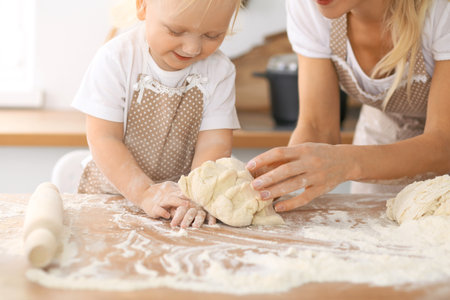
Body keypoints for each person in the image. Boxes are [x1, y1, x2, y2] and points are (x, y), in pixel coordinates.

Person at [246, 0, 450, 212]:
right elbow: (318, 127)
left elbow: (444, 143)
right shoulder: (308, 5)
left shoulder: (441, 9)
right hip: (385, 128)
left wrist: (349, 162)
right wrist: (277, 179)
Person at [70, 0, 242, 228]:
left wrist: (197, 196)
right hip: (112, 196)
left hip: (179, 204)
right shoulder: (116, 59)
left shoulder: (219, 70)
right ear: (143, 6)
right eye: (176, 31)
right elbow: (104, 138)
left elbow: (215, 142)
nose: (192, 48)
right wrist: (144, 192)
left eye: (212, 35)